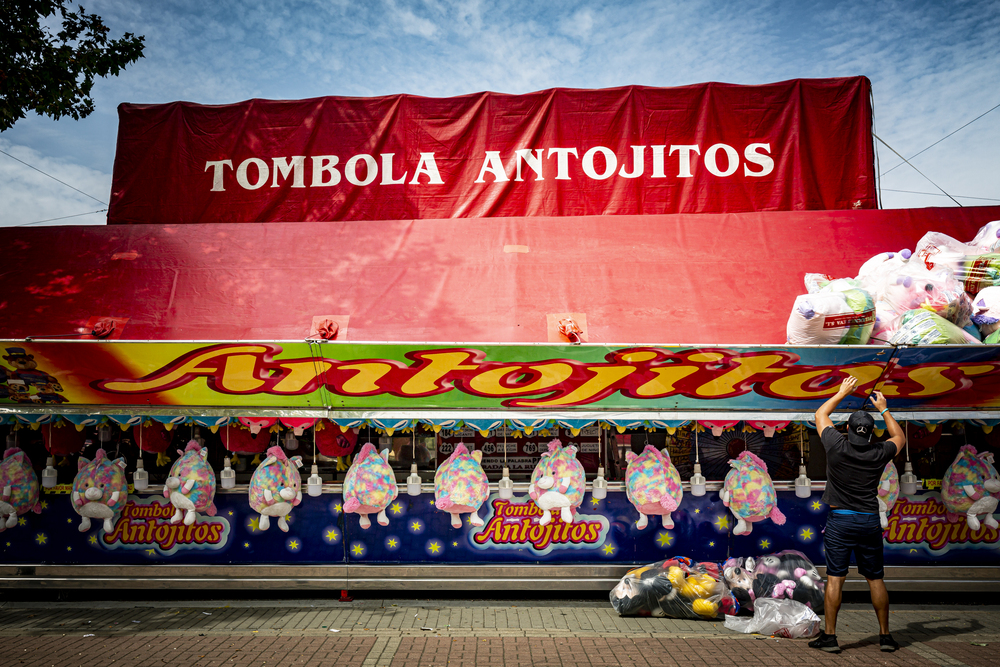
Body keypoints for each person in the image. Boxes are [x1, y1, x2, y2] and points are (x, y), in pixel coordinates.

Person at [809, 376, 906, 654]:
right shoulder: (879, 451)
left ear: (848, 429)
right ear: (870, 433)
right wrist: (884, 409)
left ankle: (830, 637)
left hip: (841, 521)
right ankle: (885, 637)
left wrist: (842, 392)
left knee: (835, 578)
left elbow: (820, 414)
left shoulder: (836, 445)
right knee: (875, 578)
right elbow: (899, 437)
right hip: (868, 521)